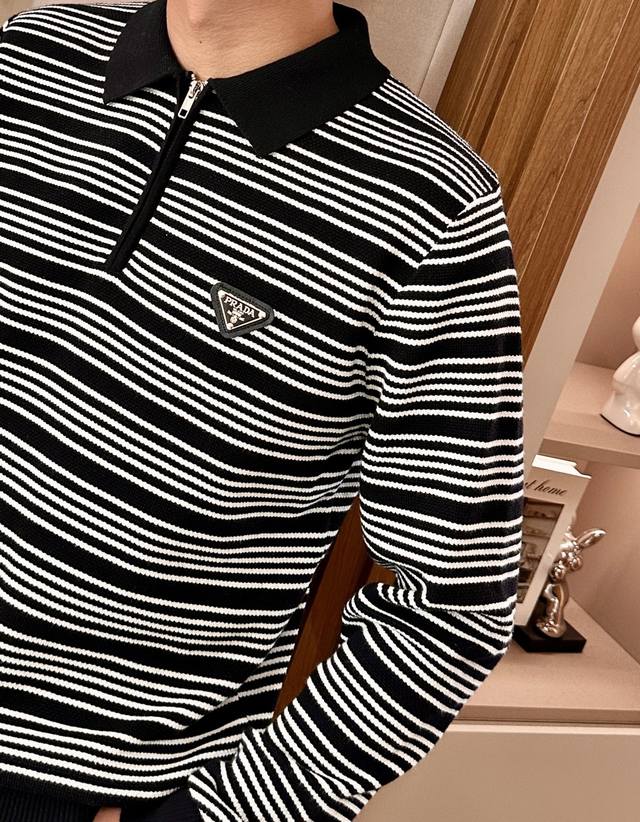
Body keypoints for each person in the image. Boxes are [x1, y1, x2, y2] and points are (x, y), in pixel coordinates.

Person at [0, 0, 525, 820]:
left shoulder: (434, 207)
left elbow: (453, 607)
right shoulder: (29, 55)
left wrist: (216, 815)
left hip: (85, 787)